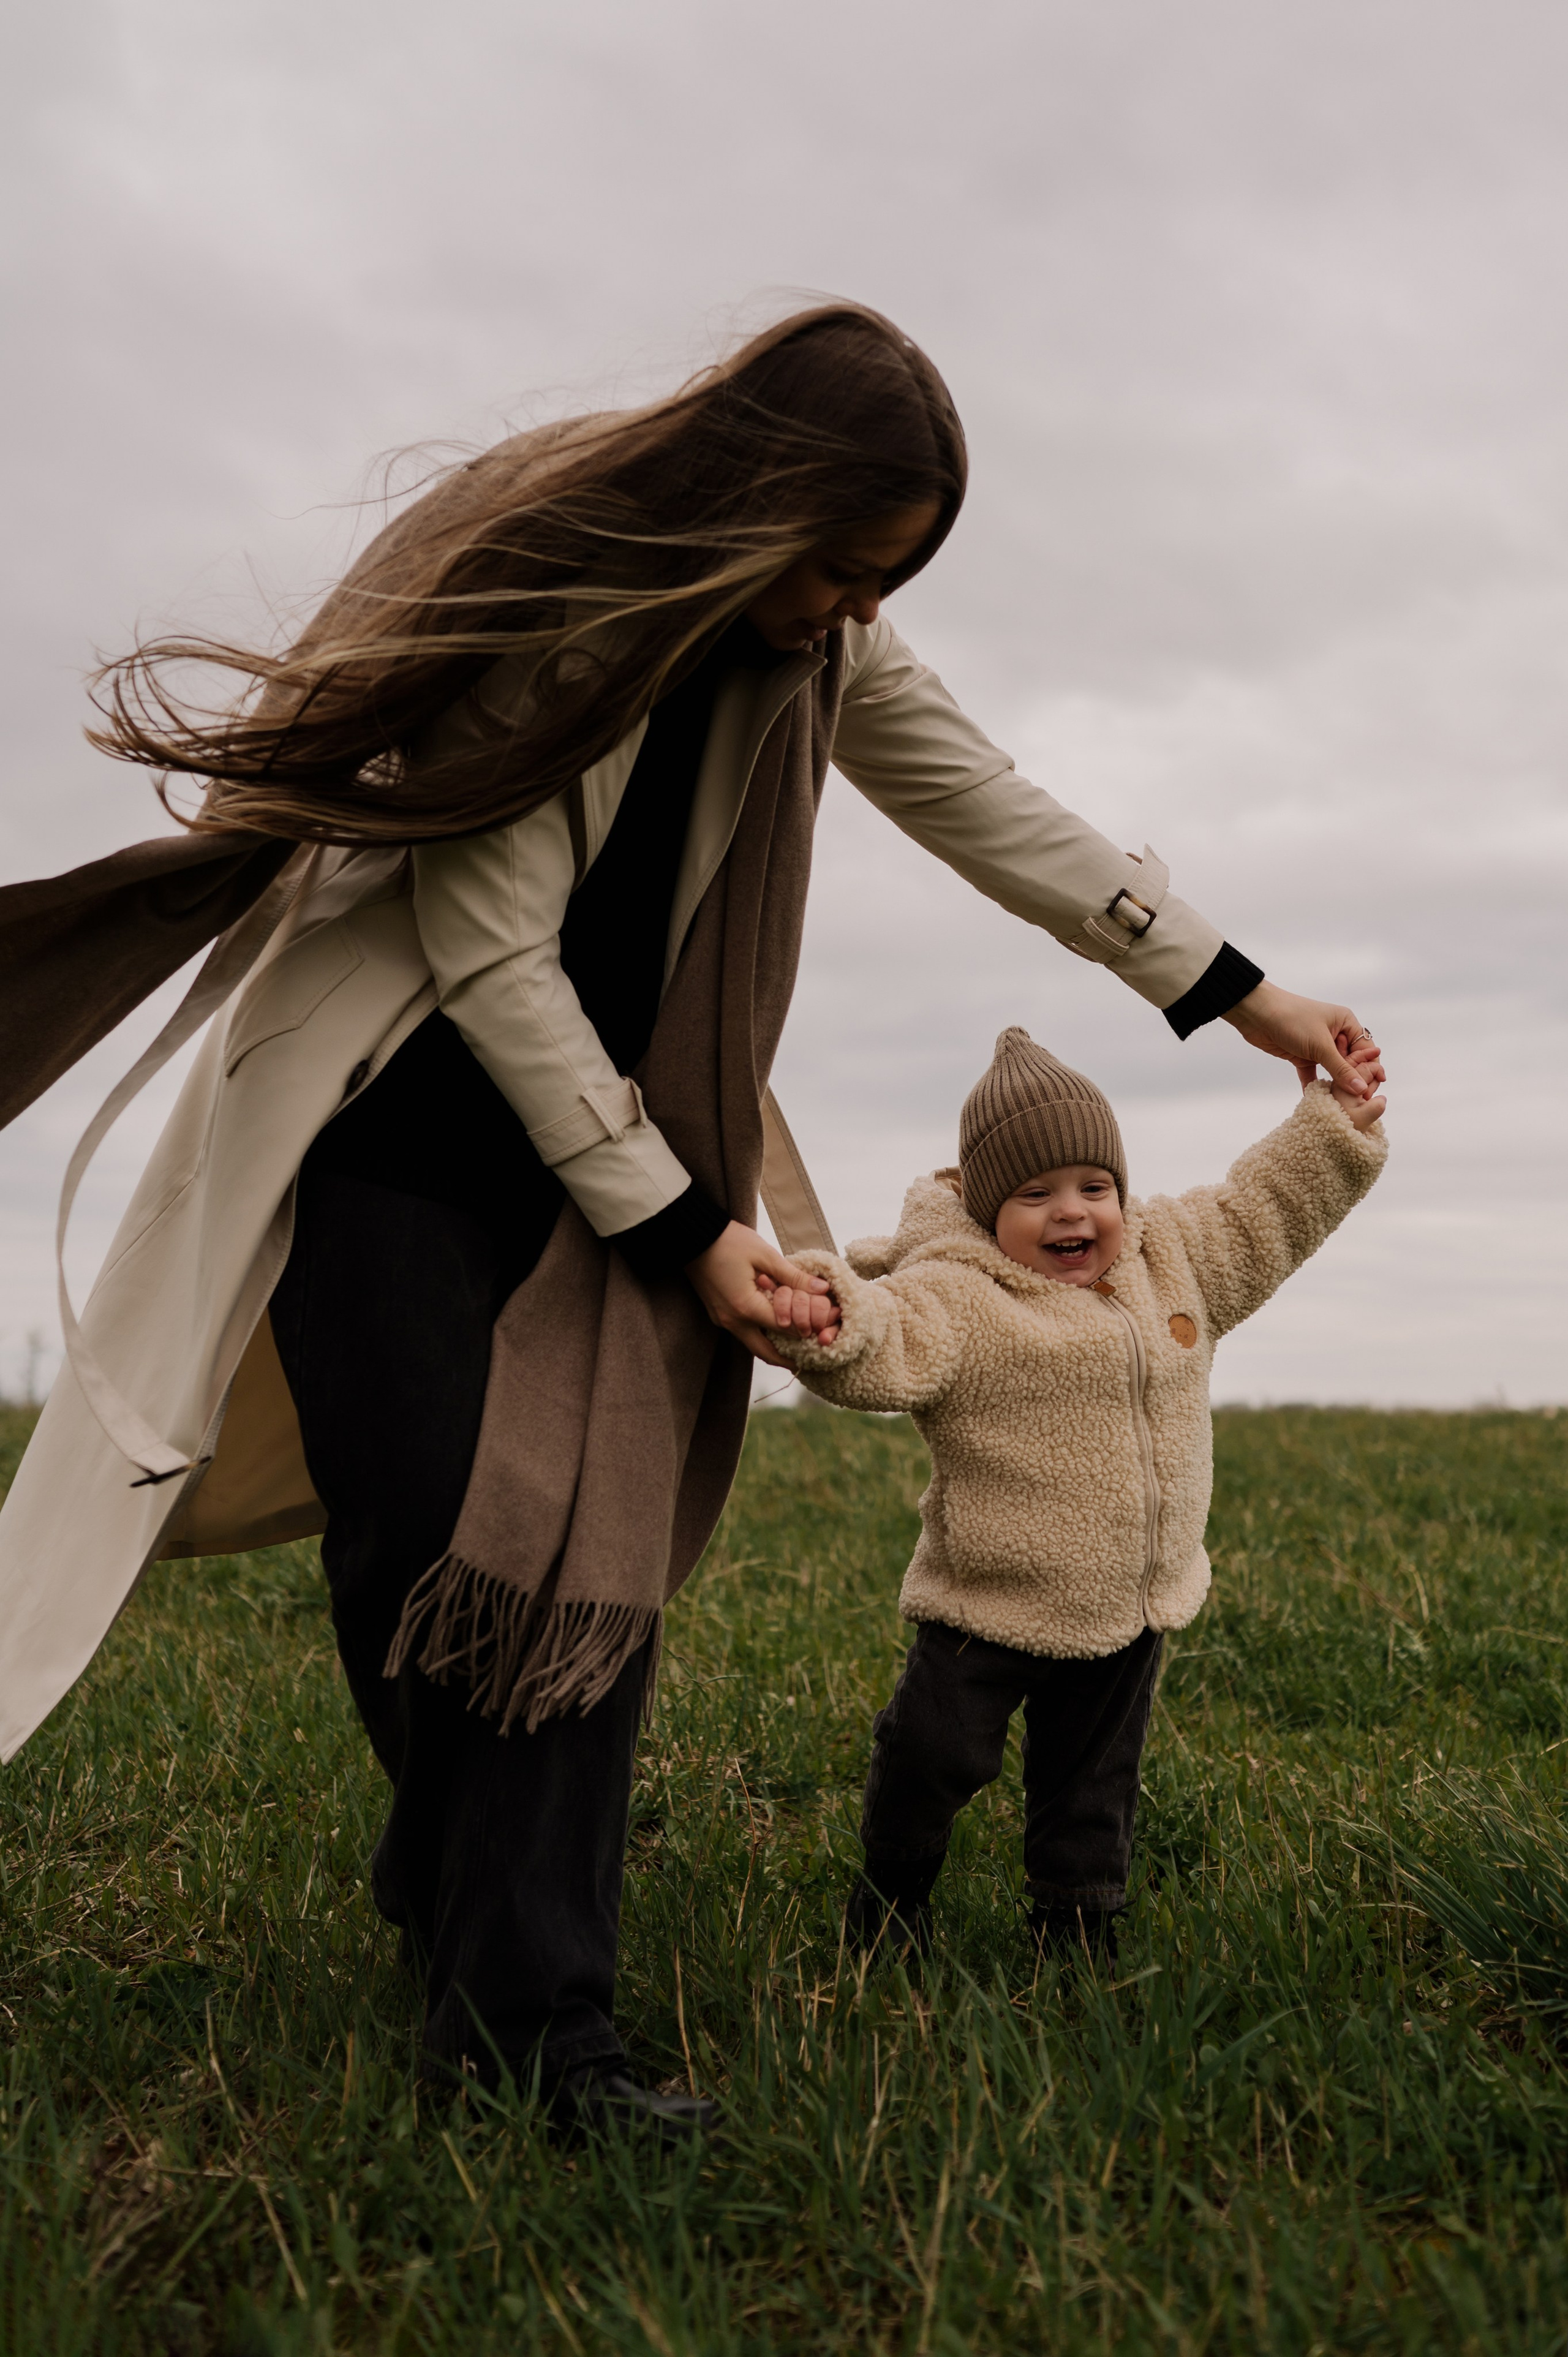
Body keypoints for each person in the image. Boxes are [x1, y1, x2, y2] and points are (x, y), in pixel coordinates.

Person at [0, 303, 1382, 2141]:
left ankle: (538, 2045)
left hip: (630, 1155)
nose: (863, 611)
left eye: (892, 580)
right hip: (396, 1134)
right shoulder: (567, 615)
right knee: (419, 1542)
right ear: (762, 506)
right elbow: (492, 955)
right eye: (847, 565)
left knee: (568, 1576)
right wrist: (678, 1226)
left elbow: (998, 811)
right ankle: (455, 1879)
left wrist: (1239, 991)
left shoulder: (812, 649)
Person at [768, 1025, 1388, 1967]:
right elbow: (888, 1339)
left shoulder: (1172, 1261)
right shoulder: (959, 1292)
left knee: (1093, 1782)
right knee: (935, 1758)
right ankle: (892, 1899)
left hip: (1128, 1601)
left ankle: (1077, 1931)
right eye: (1038, 1194)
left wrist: (1332, 1128)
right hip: (990, 1601)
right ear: (987, 1210)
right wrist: (832, 1319)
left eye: (1095, 1187)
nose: (1075, 1213)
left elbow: (1264, 1210)